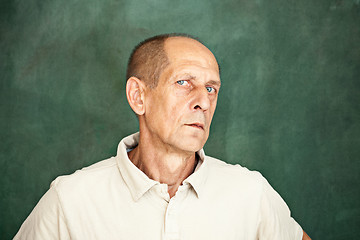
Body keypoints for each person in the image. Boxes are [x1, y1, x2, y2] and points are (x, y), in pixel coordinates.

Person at [14, 33, 311, 240]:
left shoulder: (251, 192)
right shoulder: (70, 200)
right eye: (184, 82)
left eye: (211, 88)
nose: (204, 102)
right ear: (138, 96)